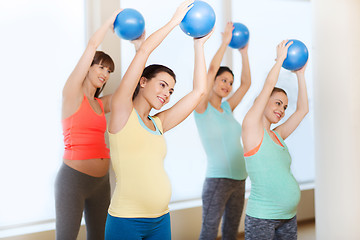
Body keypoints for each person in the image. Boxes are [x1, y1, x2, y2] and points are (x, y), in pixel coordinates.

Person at [104, 1, 213, 239]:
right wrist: (174, 22)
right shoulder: (123, 111)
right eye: (162, 85)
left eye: (171, 91)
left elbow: (199, 92)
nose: (167, 93)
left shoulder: (159, 123)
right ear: (143, 82)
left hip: (161, 219)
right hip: (126, 220)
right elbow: (144, 53)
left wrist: (199, 46)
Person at [55, 10, 145, 240]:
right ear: (89, 67)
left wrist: (139, 48)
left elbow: (130, 92)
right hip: (73, 181)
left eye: (109, 70)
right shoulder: (72, 94)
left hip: (101, 183)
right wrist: (109, 22)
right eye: (101, 67)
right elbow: (91, 47)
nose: (105, 74)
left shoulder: (99, 104)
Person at [241, 40, 309, 240]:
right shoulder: (251, 129)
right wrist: (280, 60)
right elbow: (268, 86)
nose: (282, 110)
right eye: (278, 103)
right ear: (262, 102)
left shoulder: (278, 135)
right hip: (263, 218)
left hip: (288, 216)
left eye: (285, 106)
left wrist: (301, 75)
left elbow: (303, 110)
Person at [194, 22, 251, 240]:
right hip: (217, 180)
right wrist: (224, 43)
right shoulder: (202, 108)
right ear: (214, 81)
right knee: (209, 233)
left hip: (239, 178)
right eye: (223, 80)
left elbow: (246, 83)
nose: (227, 85)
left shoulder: (227, 108)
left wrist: (244, 53)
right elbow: (210, 70)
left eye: (230, 82)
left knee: (231, 233)